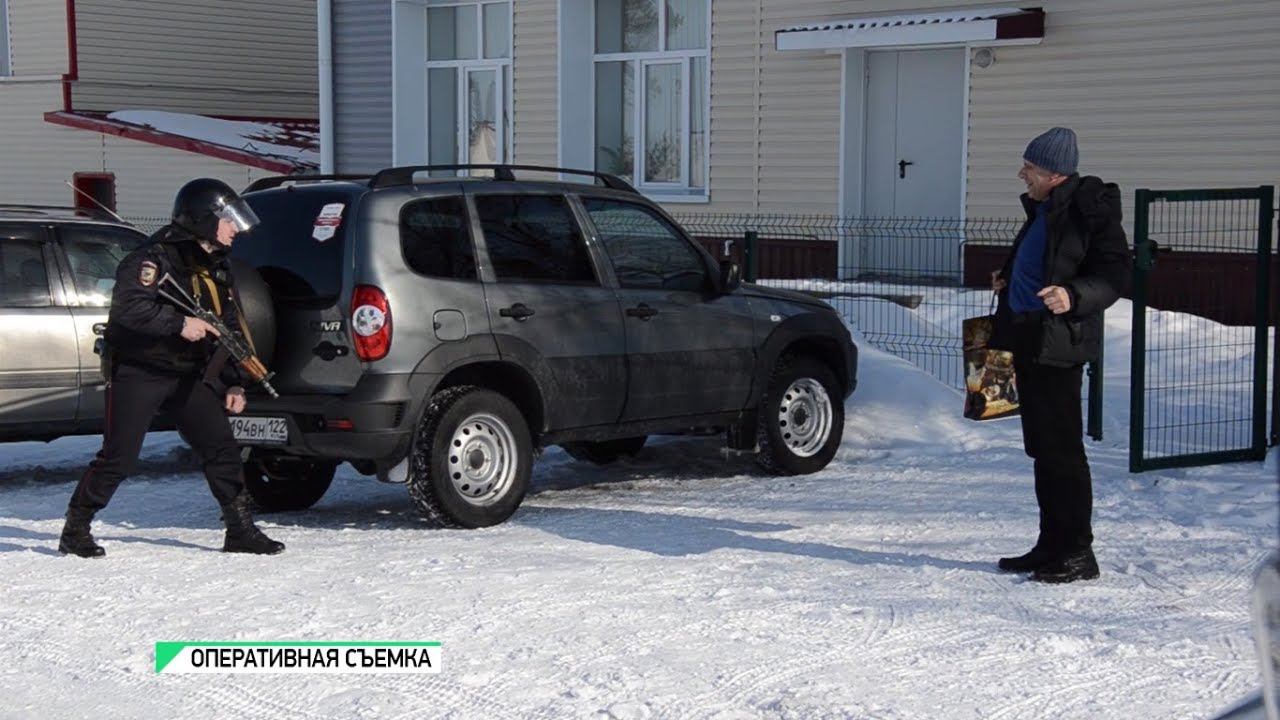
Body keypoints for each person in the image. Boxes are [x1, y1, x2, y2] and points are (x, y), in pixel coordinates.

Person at [58, 178, 285, 558]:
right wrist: (180, 324)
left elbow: (228, 327)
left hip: (186, 374)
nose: (235, 230)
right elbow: (129, 311)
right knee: (120, 457)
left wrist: (235, 382)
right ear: (202, 220)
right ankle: (76, 527)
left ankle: (240, 529)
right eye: (228, 221)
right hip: (139, 371)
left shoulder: (217, 266)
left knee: (221, 447)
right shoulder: (151, 260)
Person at [990, 127, 1130, 583]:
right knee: (1042, 450)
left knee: (1062, 451)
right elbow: (1041, 261)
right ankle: (1050, 544)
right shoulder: (1043, 209)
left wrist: (1073, 295)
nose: (1021, 174)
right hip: (1028, 338)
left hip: (1059, 343)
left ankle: (1076, 552)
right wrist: (1008, 278)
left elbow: (1113, 274)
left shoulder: (1089, 210)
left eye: (1028, 168)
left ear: (1052, 173)